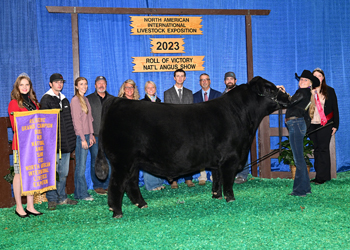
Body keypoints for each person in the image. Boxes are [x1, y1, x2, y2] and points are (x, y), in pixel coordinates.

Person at [40, 73, 78, 210]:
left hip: (66, 144)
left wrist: (71, 141)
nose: (59, 84)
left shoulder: (65, 100)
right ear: (51, 84)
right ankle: (52, 199)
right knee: (52, 172)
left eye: (61, 82)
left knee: (64, 173)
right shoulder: (46, 100)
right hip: (53, 144)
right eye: (56, 82)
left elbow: (69, 122)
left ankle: (62, 197)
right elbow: (44, 123)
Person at [279, 70, 320, 197]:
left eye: (305, 80)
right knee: (299, 158)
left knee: (298, 159)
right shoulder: (305, 93)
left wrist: (282, 93)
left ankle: (299, 190)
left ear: (310, 84)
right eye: (301, 79)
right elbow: (293, 102)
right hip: (297, 124)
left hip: (296, 124)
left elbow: (289, 102)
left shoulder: (302, 92)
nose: (301, 81)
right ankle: (306, 188)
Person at [8, 73, 43, 217]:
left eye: (27, 85)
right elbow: (15, 126)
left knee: (31, 174)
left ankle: (30, 205)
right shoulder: (14, 103)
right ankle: (18, 206)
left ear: (30, 87)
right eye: (21, 85)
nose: (24, 87)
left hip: (34, 144)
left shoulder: (34, 103)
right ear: (17, 87)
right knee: (19, 174)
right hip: (21, 144)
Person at [164, 69, 195, 189]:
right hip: (173, 128)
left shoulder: (189, 93)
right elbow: (168, 111)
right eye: (178, 76)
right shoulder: (168, 93)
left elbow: (191, 111)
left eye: (182, 76)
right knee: (174, 154)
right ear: (174, 78)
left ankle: (188, 178)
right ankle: (174, 180)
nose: (180, 78)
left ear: (185, 78)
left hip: (187, 128)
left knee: (188, 154)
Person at [309, 68, 339, 185]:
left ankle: (323, 176)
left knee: (323, 149)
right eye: (315, 76)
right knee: (316, 150)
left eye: (319, 76)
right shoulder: (309, 91)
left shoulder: (330, 91)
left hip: (325, 124)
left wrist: (336, 125)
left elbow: (335, 109)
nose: (317, 78)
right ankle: (318, 175)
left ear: (323, 78)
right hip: (312, 125)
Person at [86, 76, 114, 195]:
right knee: (95, 160)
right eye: (99, 83)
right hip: (95, 135)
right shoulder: (88, 99)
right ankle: (97, 185)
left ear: (106, 85)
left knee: (108, 160)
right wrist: (90, 134)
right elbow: (86, 119)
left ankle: (108, 184)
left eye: (103, 83)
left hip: (109, 136)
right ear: (95, 85)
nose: (101, 85)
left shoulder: (112, 99)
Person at [193, 73, 221, 185]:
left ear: (209, 81)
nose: (204, 82)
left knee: (215, 152)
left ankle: (215, 175)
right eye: (202, 80)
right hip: (200, 129)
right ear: (199, 82)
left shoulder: (218, 95)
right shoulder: (194, 96)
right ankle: (202, 176)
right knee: (201, 151)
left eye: (206, 79)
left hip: (215, 129)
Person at [71, 77, 95, 201]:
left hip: (86, 134)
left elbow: (90, 119)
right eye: (81, 84)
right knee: (80, 166)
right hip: (80, 136)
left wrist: (91, 135)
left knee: (82, 165)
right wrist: (82, 138)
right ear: (76, 86)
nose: (84, 86)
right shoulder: (75, 100)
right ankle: (82, 193)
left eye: (85, 84)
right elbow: (77, 122)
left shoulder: (85, 99)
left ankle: (78, 193)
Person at [223, 72, 249, 184]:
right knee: (228, 151)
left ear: (235, 80)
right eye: (227, 79)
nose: (229, 81)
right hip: (228, 128)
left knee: (242, 149)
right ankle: (229, 174)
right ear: (225, 81)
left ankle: (242, 174)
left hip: (241, 126)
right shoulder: (222, 95)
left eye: (231, 79)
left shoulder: (243, 94)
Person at [141, 81, 165, 191]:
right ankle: (151, 185)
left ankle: (159, 183)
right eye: (148, 88)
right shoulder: (142, 103)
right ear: (145, 90)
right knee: (148, 159)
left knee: (159, 158)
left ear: (155, 89)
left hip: (159, 135)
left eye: (153, 87)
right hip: (147, 134)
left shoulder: (160, 102)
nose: (151, 89)